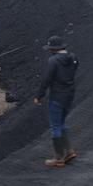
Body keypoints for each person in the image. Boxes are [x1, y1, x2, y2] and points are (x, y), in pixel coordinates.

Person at [34, 35, 79, 169]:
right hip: (69, 95)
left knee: (55, 126)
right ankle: (69, 151)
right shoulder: (74, 58)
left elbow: (46, 79)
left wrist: (39, 95)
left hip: (57, 96)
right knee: (61, 123)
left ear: (53, 49)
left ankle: (59, 158)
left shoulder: (53, 61)